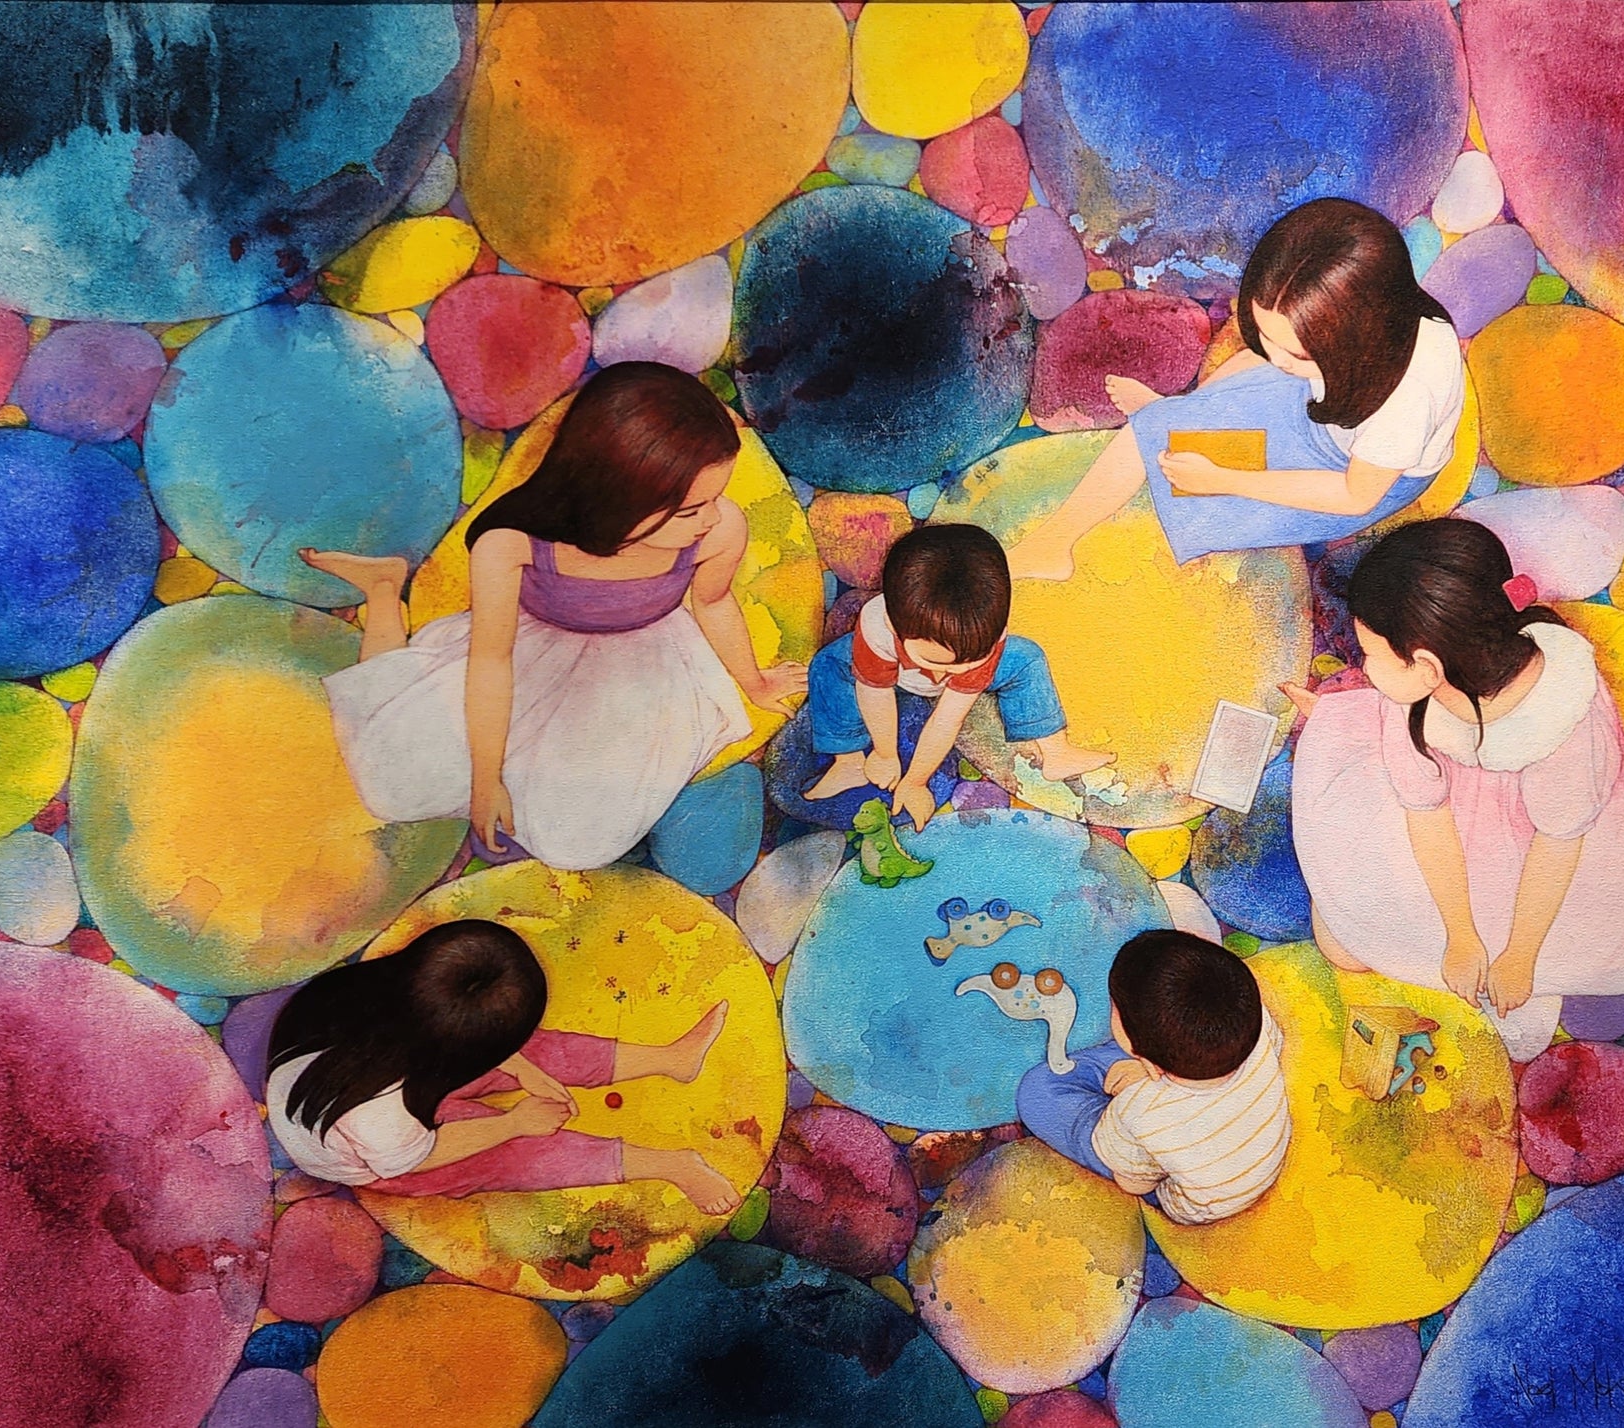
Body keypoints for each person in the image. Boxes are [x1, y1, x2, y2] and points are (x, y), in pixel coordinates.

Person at [301, 361, 806, 871]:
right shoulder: (511, 543)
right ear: (617, 495)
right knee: (392, 782)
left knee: (579, 844)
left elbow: (713, 602)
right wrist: (485, 780)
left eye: (715, 499)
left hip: (642, 669)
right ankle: (384, 591)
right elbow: (492, 661)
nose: (712, 517)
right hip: (528, 656)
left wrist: (754, 681)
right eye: (691, 509)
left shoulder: (719, 531)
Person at [1287, 520, 1624, 1061]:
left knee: (1519, 968)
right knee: (1346, 940)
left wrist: (1519, 955)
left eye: (1371, 654)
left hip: (1551, 854)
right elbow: (1427, 817)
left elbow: (1558, 846)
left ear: (1426, 666)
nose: (1365, 666)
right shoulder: (1417, 702)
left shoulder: (1564, 721)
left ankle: (1524, 980)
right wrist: (1460, 934)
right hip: (1456, 824)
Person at [1008, 198, 1466, 577]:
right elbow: (1266, 360)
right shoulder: (1373, 324)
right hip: (1325, 406)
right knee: (1158, 429)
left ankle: (1054, 545)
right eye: (1266, 336)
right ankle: (1060, 536)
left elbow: (1354, 495)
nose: (1273, 357)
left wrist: (1223, 480)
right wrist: (1202, 406)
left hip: (1352, 473)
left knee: (1175, 478)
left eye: (1295, 352)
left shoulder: (1404, 402)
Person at [265, 919, 741, 1214]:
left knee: (524, 1046)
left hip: (378, 1080)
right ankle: (672, 1165)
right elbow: (419, 1157)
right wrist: (513, 1123)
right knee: (511, 1155)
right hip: (384, 1158)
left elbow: (444, 1025)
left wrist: (521, 1066)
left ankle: (671, 1060)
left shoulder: (378, 994)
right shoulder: (379, 1116)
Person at [801, 523, 1110, 830]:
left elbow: (947, 719)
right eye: (936, 661)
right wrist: (885, 754)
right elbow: (875, 694)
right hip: (894, 675)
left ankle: (1056, 752)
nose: (948, 674)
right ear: (895, 627)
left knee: (1027, 657)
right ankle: (849, 760)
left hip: (959, 665)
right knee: (828, 666)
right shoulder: (876, 628)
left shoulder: (984, 635)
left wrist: (915, 781)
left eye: (971, 660)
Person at [1016, 929, 1292, 1225]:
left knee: (1037, 1092)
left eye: (1115, 1009)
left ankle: (1135, 1068)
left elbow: (1133, 1182)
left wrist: (1142, 1090)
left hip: (1189, 1197)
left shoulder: (1139, 1110)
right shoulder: (1257, 1023)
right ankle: (1158, 1059)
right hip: (1244, 1157)